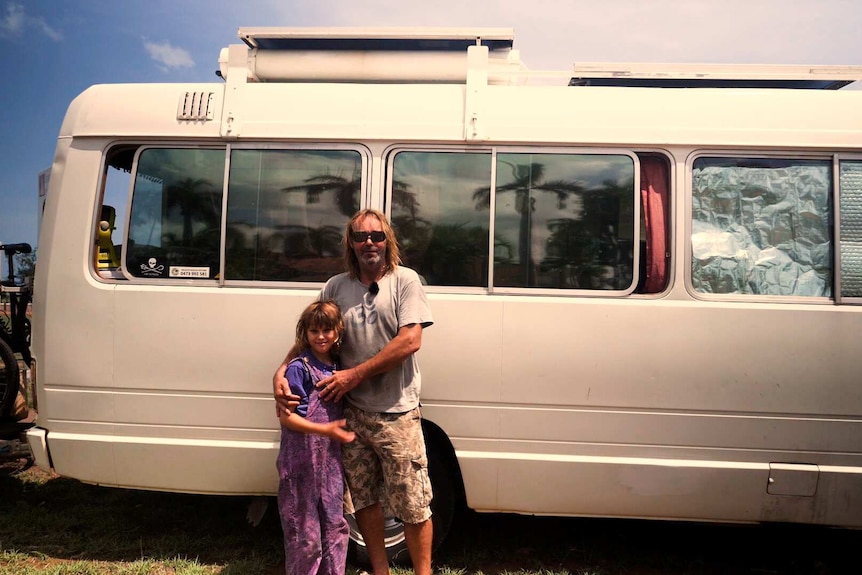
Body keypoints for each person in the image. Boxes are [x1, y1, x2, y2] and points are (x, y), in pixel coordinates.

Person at [274, 209, 434, 575]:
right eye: (360, 237)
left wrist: (354, 375)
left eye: (376, 236)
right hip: (350, 415)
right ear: (351, 243)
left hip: (398, 412)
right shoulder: (335, 286)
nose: (369, 243)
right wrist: (280, 373)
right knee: (364, 499)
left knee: (413, 502)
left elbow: (410, 340)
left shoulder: (405, 281)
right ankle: (381, 571)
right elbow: (308, 338)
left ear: (387, 241)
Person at [277, 300, 356, 575]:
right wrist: (326, 430)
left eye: (326, 330)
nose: (321, 336)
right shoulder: (300, 368)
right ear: (305, 333)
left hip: (329, 463)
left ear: (337, 331)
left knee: (335, 526)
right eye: (314, 331)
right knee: (305, 534)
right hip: (301, 462)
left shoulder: (337, 366)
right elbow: (287, 417)